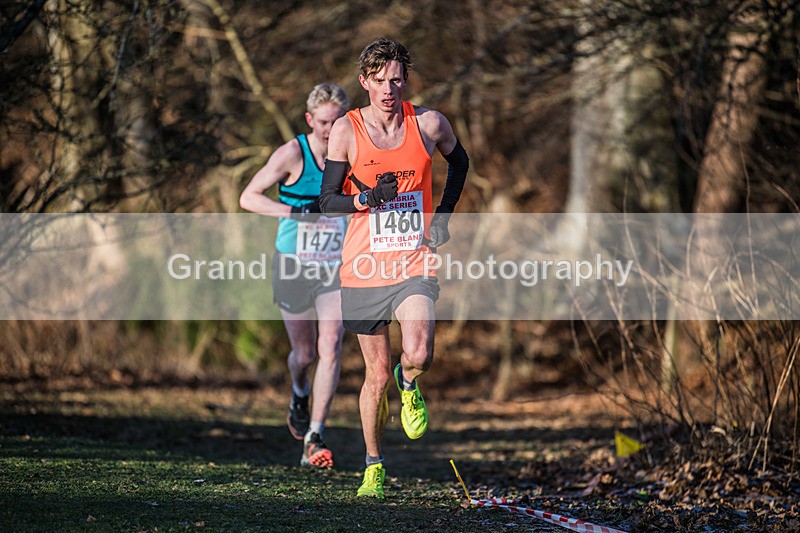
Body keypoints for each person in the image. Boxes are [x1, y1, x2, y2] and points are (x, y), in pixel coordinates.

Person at [319, 38, 469, 498]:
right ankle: (374, 465)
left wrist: (441, 217)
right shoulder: (346, 131)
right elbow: (327, 202)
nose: (389, 89)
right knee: (375, 376)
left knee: (419, 353)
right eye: (380, 81)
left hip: (412, 260)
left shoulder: (428, 123)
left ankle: (412, 383)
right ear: (365, 82)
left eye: (397, 79)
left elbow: (459, 163)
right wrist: (366, 198)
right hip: (362, 267)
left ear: (406, 79)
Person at [239, 83, 349, 468]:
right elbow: (248, 197)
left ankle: (314, 436)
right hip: (294, 264)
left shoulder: (353, 152)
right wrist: (292, 214)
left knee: (331, 345)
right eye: (323, 122)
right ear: (309, 120)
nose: (330, 130)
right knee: (303, 354)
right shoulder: (291, 154)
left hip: (336, 265)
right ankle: (299, 391)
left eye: (337, 122)